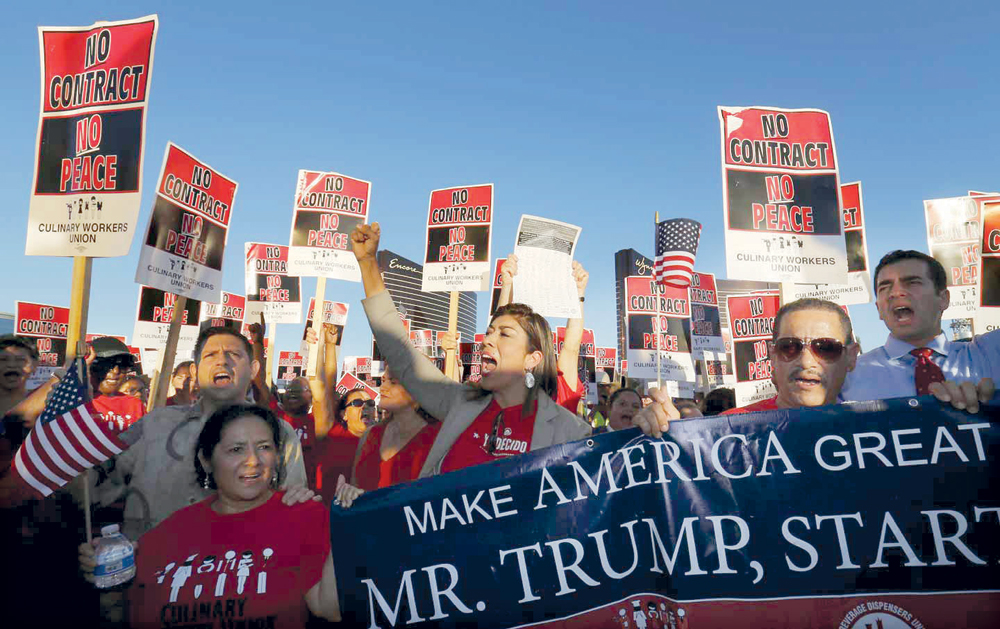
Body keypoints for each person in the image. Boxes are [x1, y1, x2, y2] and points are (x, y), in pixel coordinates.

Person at [79, 404, 359, 626]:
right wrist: (108, 571)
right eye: (236, 449)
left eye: (264, 447)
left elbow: (329, 608)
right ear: (206, 460)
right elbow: (120, 613)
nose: (253, 460)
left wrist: (351, 521)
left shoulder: (305, 515)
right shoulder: (171, 531)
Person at [352, 223, 591, 477]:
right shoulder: (459, 403)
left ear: (532, 359)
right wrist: (368, 263)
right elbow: (400, 351)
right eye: (489, 332)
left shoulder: (570, 433)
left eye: (504, 334)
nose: (487, 340)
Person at [90, 326, 308, 541]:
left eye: (233, 354)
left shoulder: (279, 433)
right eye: (210, 355)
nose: (222, 361)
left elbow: (292, 508)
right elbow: (93, 488)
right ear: (194, 371)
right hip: (148, 568)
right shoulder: (155, 424)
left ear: (253, 369)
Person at [842, 250, 999, 405]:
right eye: (884, 287)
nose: (895, 292)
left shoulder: (988, 354)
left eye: (912, 282)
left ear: (943, 299)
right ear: (879, 309)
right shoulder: (846, 377)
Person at [497, 253, 590, 414]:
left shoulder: (561, 387)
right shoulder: (503, 381)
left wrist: (578, 293)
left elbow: (571, 347)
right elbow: (499, 333)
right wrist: (507, 285)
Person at [352, 366, 441, 490]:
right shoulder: (370, 435)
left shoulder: (439, 438)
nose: (382, 388)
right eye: (383, 381)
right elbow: (354, 487)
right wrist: (347, 494)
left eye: (393, 382)